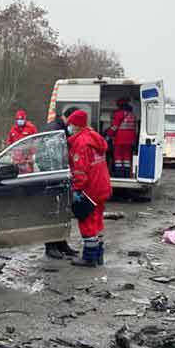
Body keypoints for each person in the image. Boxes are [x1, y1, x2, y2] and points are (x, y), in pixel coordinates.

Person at [66, 109, 112, 267]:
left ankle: (89, 257)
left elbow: (80, 172)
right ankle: (99, 254)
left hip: (90, 189)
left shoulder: (80, 143)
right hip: (102, 186)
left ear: (76, 125)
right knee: (98, 220)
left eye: (71, 124)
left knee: (87, 222)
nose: (69, 127)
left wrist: (76, 190)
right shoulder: (95, 138)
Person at [42, 107, 79, 259]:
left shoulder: (61, 128)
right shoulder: (55, 130)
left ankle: (61, 243)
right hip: (52, 177)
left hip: (61, 176)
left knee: (62, 212)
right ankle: (50, 246)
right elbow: (46, 155)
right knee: (53, 211)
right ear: (68, 118)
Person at [106, 98, 136, 178]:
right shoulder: (132, 115)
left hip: (120, 140)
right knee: (127, 158)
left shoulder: (118, 114)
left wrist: (108, 135)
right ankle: (126, 173)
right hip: (130, 141)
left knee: (118, 157)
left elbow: (114, 127)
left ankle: (119, 174)